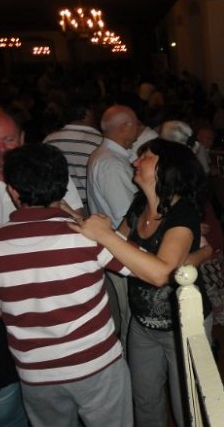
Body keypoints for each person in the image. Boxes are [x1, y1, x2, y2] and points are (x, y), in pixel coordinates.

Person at [0, 143, 132, 427]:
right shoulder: (87, 237)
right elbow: (138, 264)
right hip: (96, 363)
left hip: (36, 373)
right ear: (63, 189)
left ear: (12, 190)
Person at [73, 138, 213, 427]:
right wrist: (74, 217)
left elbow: (161, 273)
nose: (135, 161)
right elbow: (117, 246)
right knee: (144, 401)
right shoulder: (139, 205)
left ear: (167, 167)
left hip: (183, 326)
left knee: (187, 408)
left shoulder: (183, 213)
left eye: (145, 157)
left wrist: (105, 235)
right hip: (143, 325)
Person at [159, 120, 224, 327]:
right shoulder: (187, 164)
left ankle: (209, 320)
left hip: (200, 228)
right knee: (204, 277)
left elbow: (193, 201)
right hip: (200, 226)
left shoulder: (178, 168)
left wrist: (194, 223)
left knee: (202, 278)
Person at [86, 104, 140, 346]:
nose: (139, 127)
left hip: (117, 248)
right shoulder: (111, 163)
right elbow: (125, 215)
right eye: (136, 123)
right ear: (125, 127)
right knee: (132, 316)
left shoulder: (108, 157)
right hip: (123, 250)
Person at [0, 109, 84, 231]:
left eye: (9, 140)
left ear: (22, 138)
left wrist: (73, 217)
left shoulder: (48, 172)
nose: (1, 148)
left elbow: (78, 224)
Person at [43, 97, 104, 207]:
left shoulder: (49, 140)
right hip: (88, 204)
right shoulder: (100, 142)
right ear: (87, 113)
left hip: (57, 204)